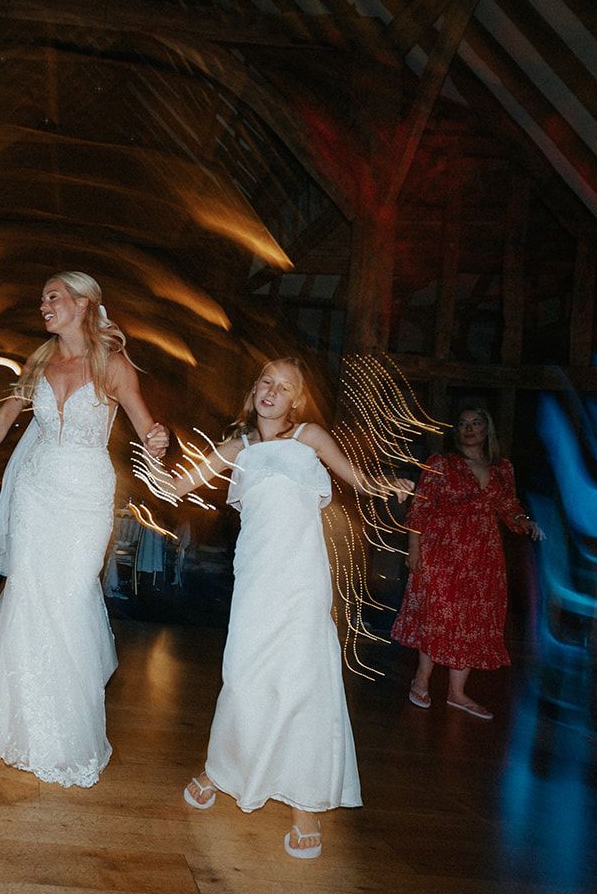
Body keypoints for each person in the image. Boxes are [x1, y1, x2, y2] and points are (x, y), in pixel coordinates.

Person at [0, 271, 168, 787]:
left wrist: (160, 442)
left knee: (72, 596)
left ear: (81, 303)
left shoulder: (113, 366)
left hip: (86, 493)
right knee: (29, 596)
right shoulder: (40, 360)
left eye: (52, 296)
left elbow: (147, 430)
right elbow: (9, 414)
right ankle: (13, 722)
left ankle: (64, 730)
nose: (44, 305)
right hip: (36, 490)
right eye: (42, 297)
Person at [160, 358, 410, 859]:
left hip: (302, 580)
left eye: (285, 386)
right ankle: (222, 769)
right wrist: (154, 449)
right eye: (265, 381)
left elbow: (359, 481)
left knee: (302, 676)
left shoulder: (310, 437)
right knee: (245, 672)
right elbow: (175, 487)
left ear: (296, 400)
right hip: (255, 578)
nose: (272, 391)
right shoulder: (237, 447)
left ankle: (304, 801)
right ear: (254, 391)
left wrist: (391, 486)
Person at [392, 407, 543, 721]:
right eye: (462, 424)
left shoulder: (502, 469)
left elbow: (508, 507)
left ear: (487, 429)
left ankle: (457, 693)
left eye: (476, 423)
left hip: (483, 559)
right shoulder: (441, 464)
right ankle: (421, 680)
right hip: (442, 553)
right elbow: (419, 508)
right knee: (438, 616)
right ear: (455, 432)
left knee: (473, 620)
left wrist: (525, 522)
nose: (469, 428)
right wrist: (414, 547)